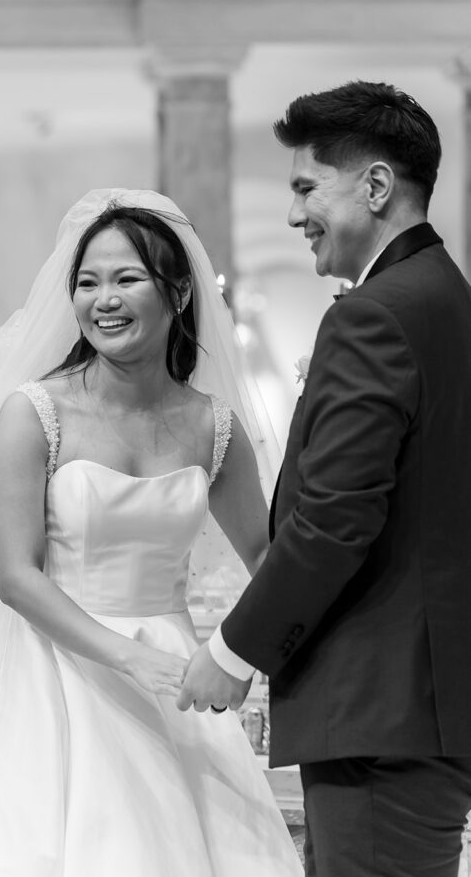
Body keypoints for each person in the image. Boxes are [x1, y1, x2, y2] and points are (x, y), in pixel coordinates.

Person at [0, 188, 302, 876]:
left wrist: (236, 653)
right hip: (53, 675)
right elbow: (17, 577)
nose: (102, 299)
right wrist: (128, 656)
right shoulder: (34, 414)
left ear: (178, 293)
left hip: (178, 673)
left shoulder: (216, 426)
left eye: (125, 279)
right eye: (87, 283)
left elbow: (268, 555)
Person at [179, 81, 471, 877]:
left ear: (375, 186)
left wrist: (234, 650)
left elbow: (336, 519)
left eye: (307, 186)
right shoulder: (442, 298)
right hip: (418, 706)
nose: (292, 214)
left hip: (378, 711)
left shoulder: (374, 313)